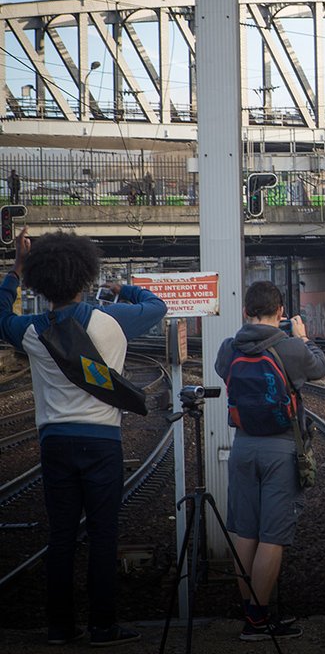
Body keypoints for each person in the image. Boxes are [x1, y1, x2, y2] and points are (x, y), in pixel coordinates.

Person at [0, 230, 166, 647]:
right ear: (85, 277)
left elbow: (1, 315)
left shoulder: (31, 330)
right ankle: (103, 626)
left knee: (60, 537)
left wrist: (14, 272)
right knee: (103, 534)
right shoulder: (112, 321)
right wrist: (121, 287)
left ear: (41, 282)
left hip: (54, 443)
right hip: (102, 443)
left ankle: (59, 627)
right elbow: (155, 306)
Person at [215, 281, 325, 642]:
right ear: (280, 312)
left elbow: (224, 373)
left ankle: (252, 611)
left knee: (245, 531)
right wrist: (303, 336)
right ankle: (258, 621)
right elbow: (320, 369)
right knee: (273, 536)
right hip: (282, 448)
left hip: (243, 447)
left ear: (246, 311)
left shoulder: (228, 348)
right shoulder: (291, 347)